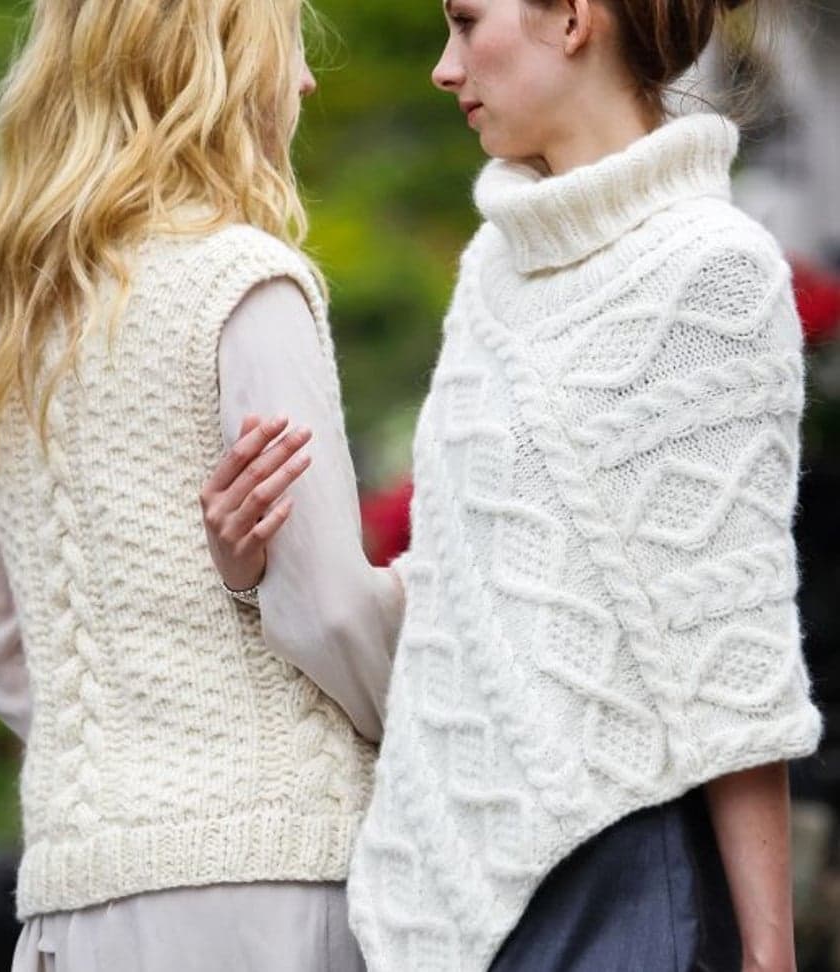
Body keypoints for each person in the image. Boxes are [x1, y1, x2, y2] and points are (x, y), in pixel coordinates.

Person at [201, 0, 822, 969]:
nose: (445, 67)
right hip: (475, 873)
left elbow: (734, 652)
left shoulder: (714, 270)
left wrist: (770, 949)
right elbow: (461, 593)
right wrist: (255, 565)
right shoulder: (495, 269)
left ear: (571, 19)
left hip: (627, 873)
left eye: (465, 20)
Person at [0, 1, 403, 969]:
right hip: (264, 884)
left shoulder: (4, 317)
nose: (306, 82)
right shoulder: (244, 282)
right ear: (217, 67)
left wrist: (125, 764)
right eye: (287, 52)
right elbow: (327, 610)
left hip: (72, 902)